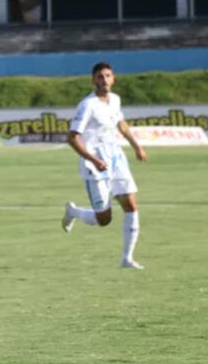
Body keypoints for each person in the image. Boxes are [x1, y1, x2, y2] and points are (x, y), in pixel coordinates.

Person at [61, 61, 148, 269]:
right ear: (93, 80)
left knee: (131, 204)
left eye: (108, 76)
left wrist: (137, 146)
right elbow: (72, 137)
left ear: (113, 78)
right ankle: (73, 212)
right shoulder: (87, 105)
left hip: (116, 159)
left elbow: (122, 124)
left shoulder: (115, 100)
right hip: (95, 164)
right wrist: (93, 159)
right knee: (104, 219)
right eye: (100, 76)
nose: (105, 80)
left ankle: (127, 258)